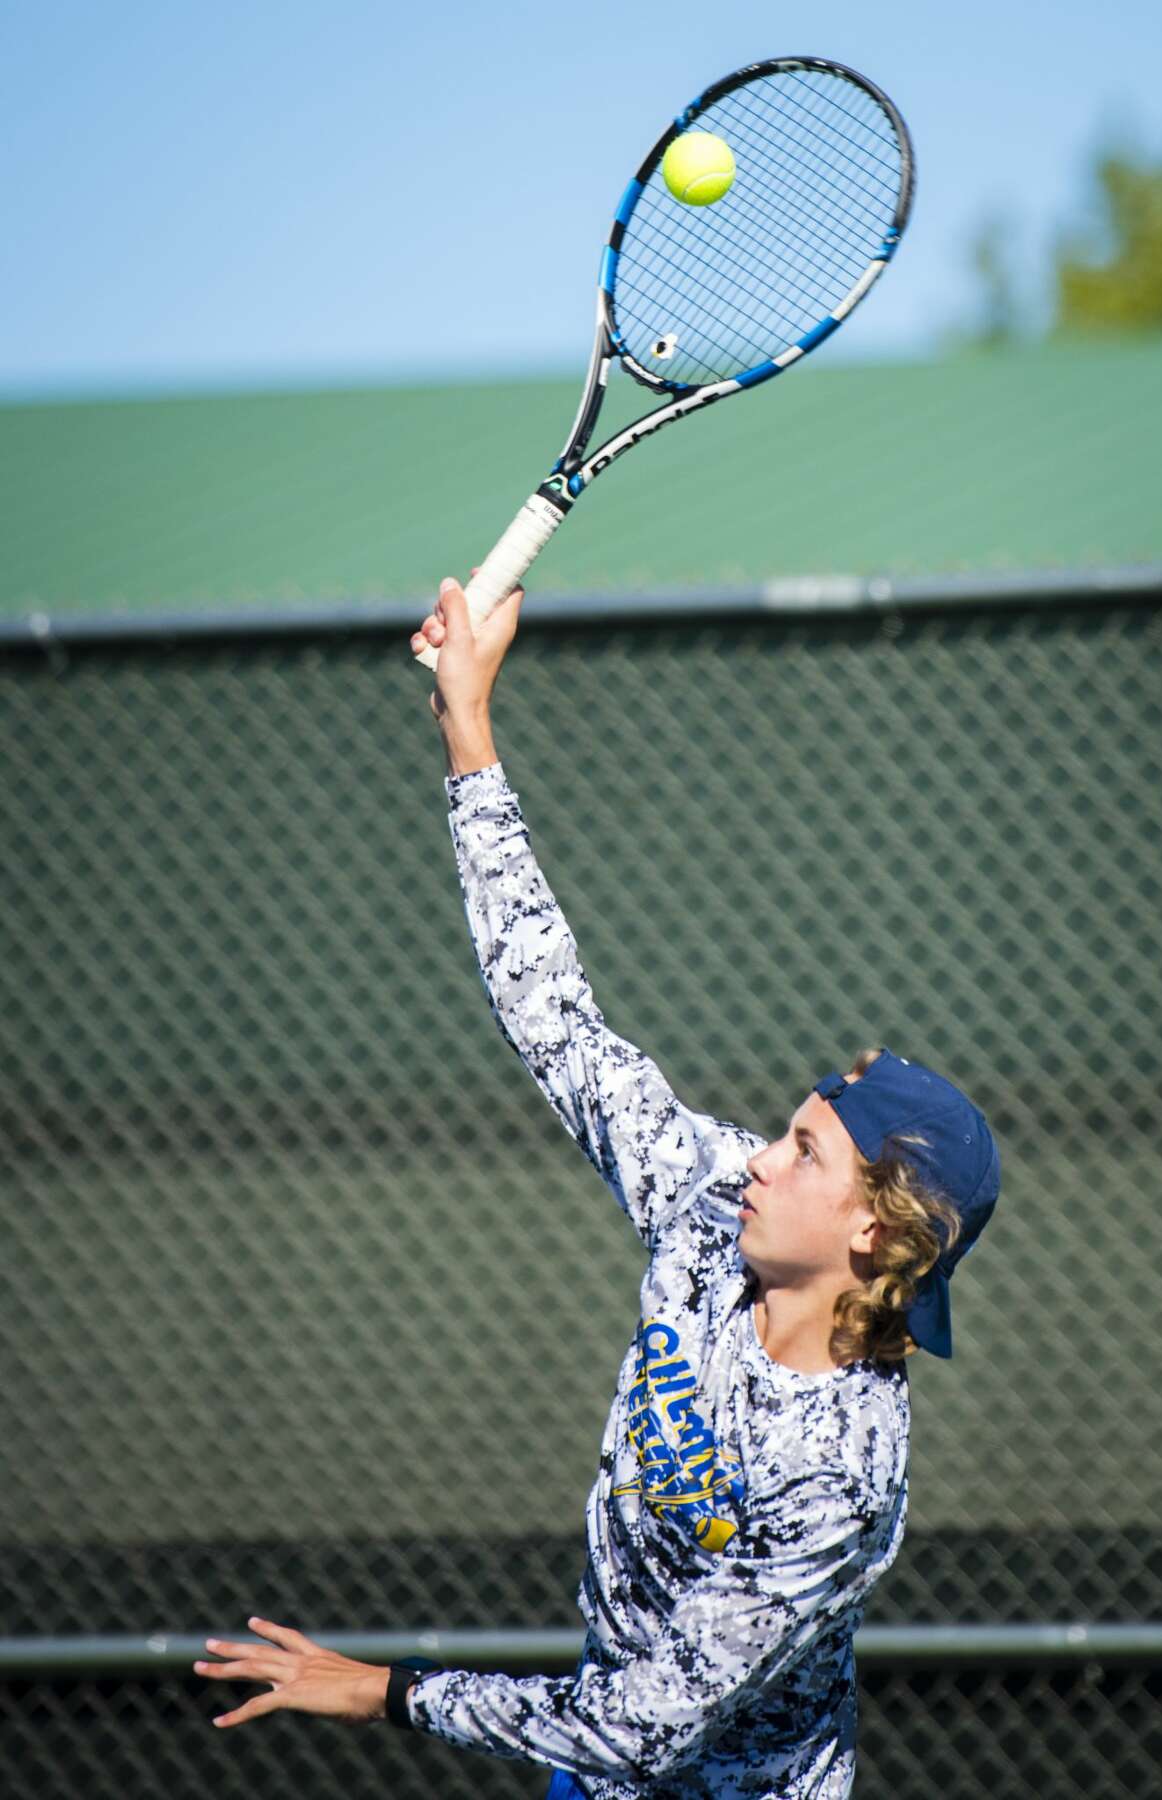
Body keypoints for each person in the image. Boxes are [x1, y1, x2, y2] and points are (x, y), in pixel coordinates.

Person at [194, 577, 1001, 1797]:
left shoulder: (841, 1468)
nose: (762, 1157)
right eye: (788, 1131)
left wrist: (386, 1688)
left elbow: (634, 1726)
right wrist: (467, 721)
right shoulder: (710, 1207)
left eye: (805, 1153)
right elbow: (552, 1014)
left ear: (876, 1234)